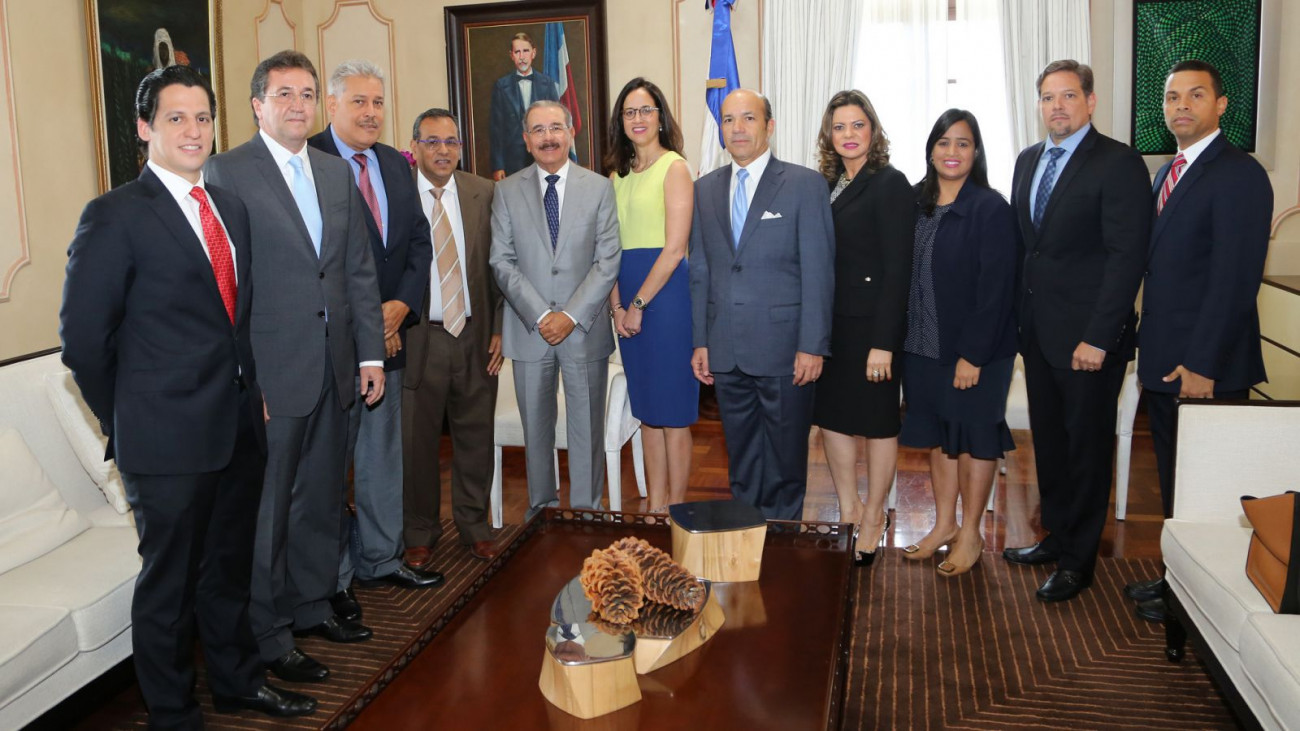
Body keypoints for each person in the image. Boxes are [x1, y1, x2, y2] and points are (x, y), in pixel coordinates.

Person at [59, 65, 316, 724]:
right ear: (144, 128)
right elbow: (84, 343)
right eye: (177, 117)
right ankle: (171, 713)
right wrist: (133, 414)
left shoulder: (229, 207)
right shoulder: (114, 216)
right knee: (169, 589)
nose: (194, 130)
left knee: (227, 570)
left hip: (236, 429)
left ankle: (236, 681)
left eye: (202, 116)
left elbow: (238, 318)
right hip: (165, 442)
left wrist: (249, 389)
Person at [205, 50, 386, 682]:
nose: (297, 105)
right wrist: (242, 378)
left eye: (306, 94)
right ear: (258, 104)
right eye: (283, 94)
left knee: (321, 501)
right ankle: (269, 631)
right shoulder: (225, 173)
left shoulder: (335, 174)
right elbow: (224, 290)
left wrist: (369, 353)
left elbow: (357, 271)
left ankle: (312, 606)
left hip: (336, 368)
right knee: (269, 511)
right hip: (271, 377)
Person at [1123, 60, 1272, 622]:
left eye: (1195, 95)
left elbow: (1235, 279)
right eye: (1171, 97)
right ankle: (1175, 582)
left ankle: (1201, 600)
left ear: (1221, 105)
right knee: (1175, 481)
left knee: (1209, 491)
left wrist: (1202, 363)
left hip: (1205, 367)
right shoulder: (1168, 173)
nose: (1180, 105)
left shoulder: (1239, 173)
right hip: (1165, 360)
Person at [1002, 60, 1150, 603]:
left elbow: (1125, 257)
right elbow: (1028, 250)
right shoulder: (1028, 161)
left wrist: (1100, 335)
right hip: (1038, 336)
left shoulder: (1118, 162)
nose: (1056, 106)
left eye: (1067, 96)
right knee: (1052, 448)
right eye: (1047, 97)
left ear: (1090, 101)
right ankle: (1057, 537)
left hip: (1090, 340)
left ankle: (1079, 562)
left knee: (1087, 452)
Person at [307, 60, 442, 625]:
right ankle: (333, 582)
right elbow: (315, 263)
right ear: (331, 106)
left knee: (382, 455)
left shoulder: (394, 163)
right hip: (335, 346)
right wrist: (368, 318)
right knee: (331, 466)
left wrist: (401, 306)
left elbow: (417, 241)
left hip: (391, 337)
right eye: (358, 102)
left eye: (378, 102)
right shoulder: (307, 161)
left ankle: (381, 559)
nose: (370, 112)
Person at [688, 88, 835, 521]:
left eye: (748, 118)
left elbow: (819, 272)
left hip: (786, 351)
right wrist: (701, 341)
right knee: (743, 456)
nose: (738, 128)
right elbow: (701, 270)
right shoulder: (705, 190)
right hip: (726, 349)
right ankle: (746, 533)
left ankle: (784, 537)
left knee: (786, 458)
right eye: (729, 120)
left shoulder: (805, 185)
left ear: (769, 126)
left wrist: (813, 345)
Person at [899, 109, 1018, 577]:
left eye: (963, 143)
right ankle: (944, 523)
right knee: (937, 437)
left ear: (976, 152)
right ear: (931, 149)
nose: (952, 152)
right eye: (944, 142)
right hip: (922, 345)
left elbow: (996, 289)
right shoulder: (913, 202)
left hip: (977, 351)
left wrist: (973, 355)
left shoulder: (990, 208)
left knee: (974, 439)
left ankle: (971, 532)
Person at [489, 100, 621, 518]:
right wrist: (543, 316)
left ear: (570, 134)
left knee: (586, 429)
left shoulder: (599, 187)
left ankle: (586, 512)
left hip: (583, 329)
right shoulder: (506, 191)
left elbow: (608, 260)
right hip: (530, 331)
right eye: (538, 130)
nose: (548, 137)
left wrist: (569, 316)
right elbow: (501, 261)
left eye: (555, 128)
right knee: (536, 430)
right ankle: (541, 512)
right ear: (526, 141)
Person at [809, 90, 912, 564]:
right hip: (831, 327)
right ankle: (848, 507)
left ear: (873, 130)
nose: (848, 135)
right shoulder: (826, 185)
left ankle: (874, 515)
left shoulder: (890, 184)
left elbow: (898, 269)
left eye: (857, 125)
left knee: (876, 423)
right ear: (829, 136)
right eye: (839, 127)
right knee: (833, 419)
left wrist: (884, 344)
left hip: (872, 329)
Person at [403, 107, 505, 563]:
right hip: (418, 337)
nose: (443, 150)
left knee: (475, 436)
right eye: (432, 141)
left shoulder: (484, 193)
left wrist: (500, 329)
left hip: (476, 335)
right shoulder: (397, 195)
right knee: (416, 441)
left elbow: (502, 266)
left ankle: (474, 524)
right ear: (415, 147)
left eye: (451, 142)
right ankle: (419, 533)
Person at [603, 77, 697, 512]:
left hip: (666, 300)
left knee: (673, 413)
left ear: (661, 117)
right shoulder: (615, 177)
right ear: (620, 122)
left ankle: (676, 509)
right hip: (625, 299)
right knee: (647, 413)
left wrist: (638, 304)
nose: (637, 119)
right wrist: (618, 306)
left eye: (646, 110)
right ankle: (655, 507)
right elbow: (607, 251)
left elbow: (675, 248)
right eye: (629, 112)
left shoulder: (674, 167)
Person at [489, 32, 561, 181]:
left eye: (526, 51)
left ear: (533, 53)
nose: (522, 57)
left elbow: (557, 124)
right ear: (511, 55)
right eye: (517, 52)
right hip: (512, 160)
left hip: (543, 155)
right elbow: (496, 130)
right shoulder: (501, 86)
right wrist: (498, 165)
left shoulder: (547, 84)